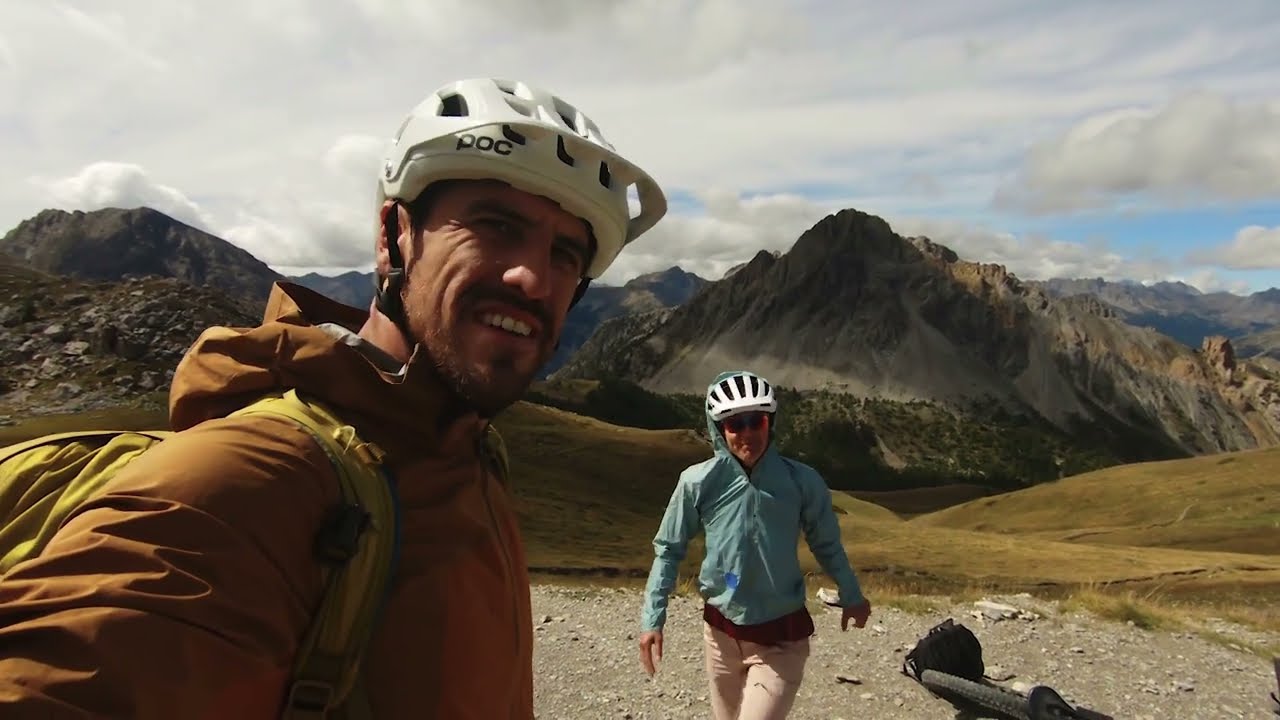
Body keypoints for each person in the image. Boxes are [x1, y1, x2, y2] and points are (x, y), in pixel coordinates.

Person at [0, 77, 667, 719]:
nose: (531, 276)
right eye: (495, 224)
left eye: (566, 255)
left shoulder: (472, 454)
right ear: (393, 237)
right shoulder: (255, 477)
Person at [637, 370, 872, 720]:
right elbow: (669, 549)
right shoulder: (697, 482)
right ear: (720, 429)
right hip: (720, 634)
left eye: (756, 421)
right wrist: (652, 620)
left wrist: (852, 594)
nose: (747, 433)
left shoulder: (802, 481)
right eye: (735, 424)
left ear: (770, 423)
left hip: (781, 637)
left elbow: (826, 543)